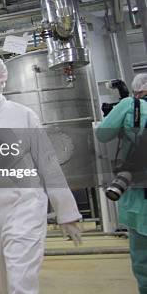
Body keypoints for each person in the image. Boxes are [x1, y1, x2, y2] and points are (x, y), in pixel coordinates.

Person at [0, 54, 82, 294]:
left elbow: (48, 165)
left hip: (24, 206)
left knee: (20, 281)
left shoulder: (23, 116)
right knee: (0, 282)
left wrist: (66, 212)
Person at [96, 73, 147, 294]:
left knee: (143, 257)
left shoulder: (130, 105)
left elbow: (103, 135)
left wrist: (114, 113)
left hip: (139, 190)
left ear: (137, 90)